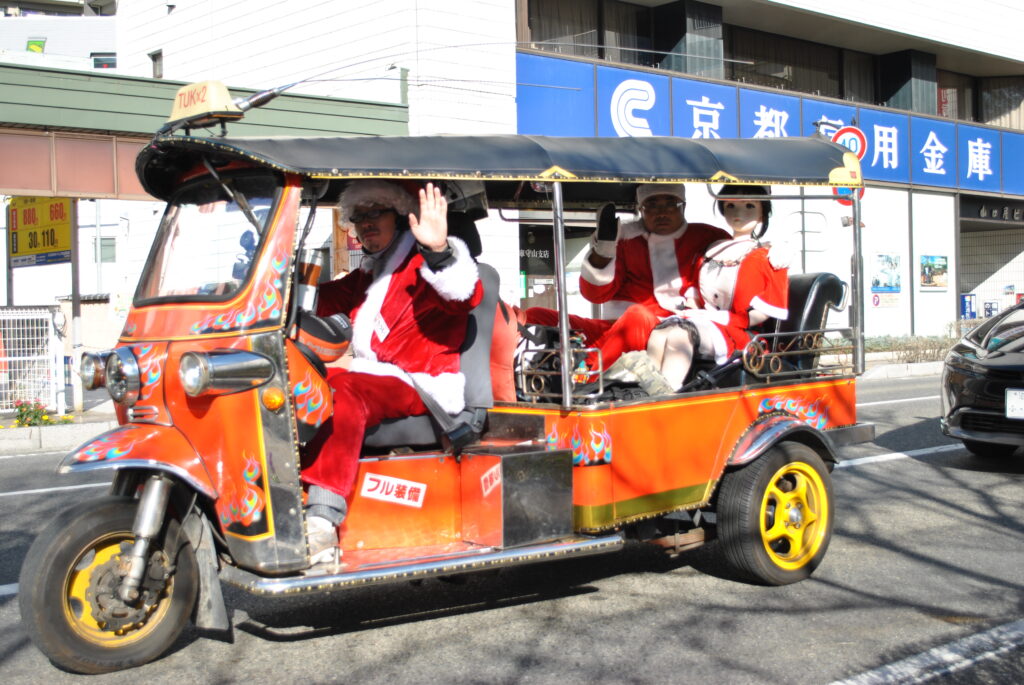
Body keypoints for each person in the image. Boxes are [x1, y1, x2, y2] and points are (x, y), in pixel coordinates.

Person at [302, 180, 482, 564]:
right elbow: (317, 300)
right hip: (377, 377)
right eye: (358, 217)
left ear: (400, 217)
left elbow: (462, 294)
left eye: (375, 214)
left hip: (421, 383)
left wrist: (438, 249)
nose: (365, 224)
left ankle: (322, 517)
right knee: (300, 382)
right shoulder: (370, 273)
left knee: (343, 390)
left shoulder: (422, 265)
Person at [525, 184, 729, 376]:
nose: (662, 212)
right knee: (535, 316)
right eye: (652, 205)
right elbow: (595, 295)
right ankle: (529, 382)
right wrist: (603, 251)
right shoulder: (625, 238)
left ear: (683, 207)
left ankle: (591, 383)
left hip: (668, 329)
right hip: (614, 328)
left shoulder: (708, 236)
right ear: (641, 209)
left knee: (636, 316)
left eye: (670, 204)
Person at [644, 184, 789, 391]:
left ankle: (667, 394)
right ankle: (646, 392)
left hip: (742, 334)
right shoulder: (713, 249)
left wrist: (719, 318)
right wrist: (689, 309)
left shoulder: (770, 256)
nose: (738, 213)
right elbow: (695, 292)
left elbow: (761, 314)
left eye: (749, 206)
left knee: (680, 335)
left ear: (763, 212)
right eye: (730, 206)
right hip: (707, 322)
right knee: (660, 332)